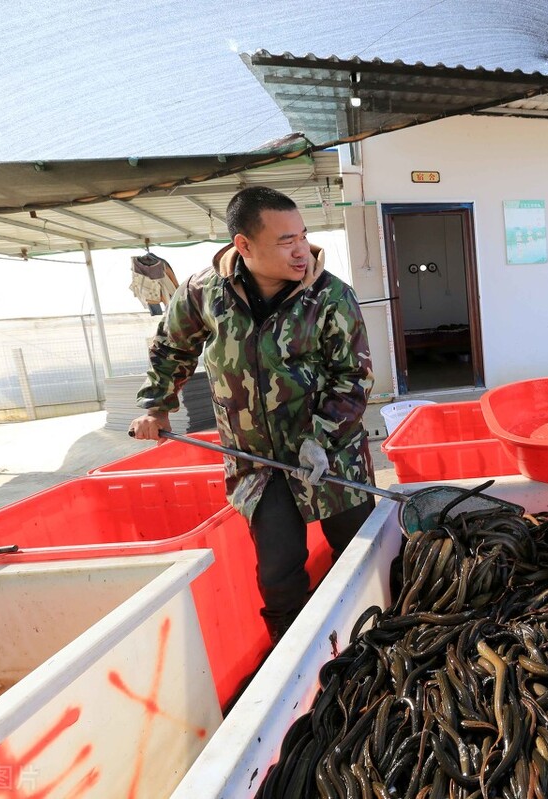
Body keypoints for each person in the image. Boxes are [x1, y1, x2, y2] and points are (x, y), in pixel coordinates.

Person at [130, 185, 374, 643]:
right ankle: (295, 659)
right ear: (244, 244)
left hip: (334, 458)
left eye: (302, 236)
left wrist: (321, 437)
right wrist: (158, 405)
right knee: (279, 577)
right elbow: (172, 347)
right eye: (285, 241)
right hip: (258, 464)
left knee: (362, 555)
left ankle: (377, 640)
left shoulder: (330, 296)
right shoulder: (203, 293)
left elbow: (353, 376)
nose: (301, 250)